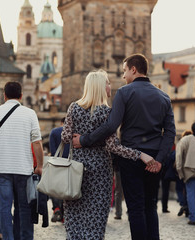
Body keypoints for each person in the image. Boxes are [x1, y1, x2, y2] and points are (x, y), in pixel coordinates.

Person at [75, 54, 176, 240]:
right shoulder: (164, 97)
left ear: (133, 70)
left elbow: (111, 125)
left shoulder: (124, 92)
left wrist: (85, 140)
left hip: (131, 157)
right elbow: (170, 132)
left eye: (124, 71)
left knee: (136, 208)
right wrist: (160, 160)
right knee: (150, 205)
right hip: (154, 157)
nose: (123, 76)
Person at [61, 70, 155, 240]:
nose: (111, 86)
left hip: (75, 170)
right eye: (108, 83)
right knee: (96, 220)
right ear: (101, 87)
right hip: (99, 173)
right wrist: (140, 154)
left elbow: (66, 137)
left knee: (74, 220)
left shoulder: (73, 108)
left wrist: (80, 137)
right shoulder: (107, 113)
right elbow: (113, 146)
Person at [0, 81, 44, 240]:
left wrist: (1, 143)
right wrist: (40, 166)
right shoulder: (30, 113)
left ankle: (7, 237)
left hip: (1, 167)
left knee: (4, 206)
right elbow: (37, 142)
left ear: (4, 95)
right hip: (23, 167)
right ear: (21, 96)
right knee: (24, 207)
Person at [175, 122, 195, 225]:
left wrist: (180, 172)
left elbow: (179, 157)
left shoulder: (185, 140)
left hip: (190, 171)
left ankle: (193, 218)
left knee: (191, 195)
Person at [48, 117, 69, 223]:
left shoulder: (54, 132)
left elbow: (52, 151)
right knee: (66, 190)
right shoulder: (74, 133)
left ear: (61, 123)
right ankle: (65, 214)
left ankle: (56, 208)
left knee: (55, 188)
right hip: (70, 165)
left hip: (57, 164)